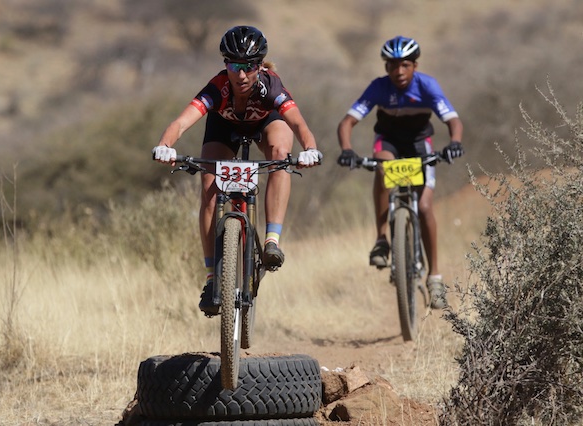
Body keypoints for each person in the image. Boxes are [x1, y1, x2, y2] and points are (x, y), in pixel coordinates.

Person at [153, 25, 322, 316]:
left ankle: (271, 241)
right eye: (233, 65)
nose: (240, 75)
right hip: (224, 127)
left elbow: (297, 123)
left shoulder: (272, 87)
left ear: (259, 66)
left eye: (248, 66)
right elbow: (181, 122)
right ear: (225, 65)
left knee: (281, 156)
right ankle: (211, 278)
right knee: (209, 186)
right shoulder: (217, 88)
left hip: (266, 122)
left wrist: (309, 149)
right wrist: (165, 145)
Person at [336, 35, 464, 309]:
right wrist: (346, 149)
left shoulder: (427, 86)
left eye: (405, 65)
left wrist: (454, 143)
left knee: (426, 207)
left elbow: (452, 119)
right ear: (386, 68)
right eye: (393, 65)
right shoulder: (379, 88)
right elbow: (347, 122)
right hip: (389, 142)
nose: (399, 71)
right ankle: (382, 239)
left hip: (420, 145)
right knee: (382, 168)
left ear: (415, 66)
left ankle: (435, 278)